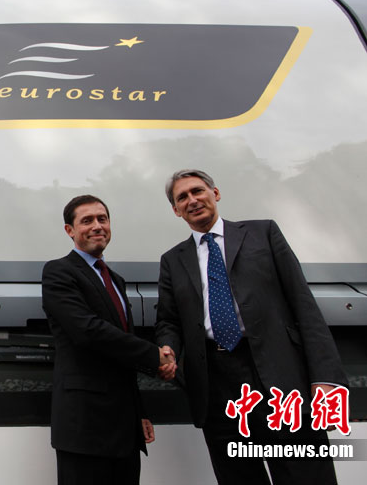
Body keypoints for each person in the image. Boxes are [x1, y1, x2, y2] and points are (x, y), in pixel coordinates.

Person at [155, 169, 348, 484]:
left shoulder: (263, 233)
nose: (192, 200)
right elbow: (169, 320)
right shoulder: (172, 261)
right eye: (182, 197)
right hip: (218, 387)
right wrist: (168, 348)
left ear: (215, 193)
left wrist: (325, 378)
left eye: (198, 191)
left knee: (305, 475)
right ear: (176, 210)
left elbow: (303, 305)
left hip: (280, 378)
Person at [42, 194, 175, 485]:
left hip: (125, 430)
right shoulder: (58, 271)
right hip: (84, 428)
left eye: (102, 219)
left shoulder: (115, 280)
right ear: (70, 230)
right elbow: (88, 331)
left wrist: (139, 413)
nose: (97, 226)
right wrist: (154, 356)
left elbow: (122, 351)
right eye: (86, 220)